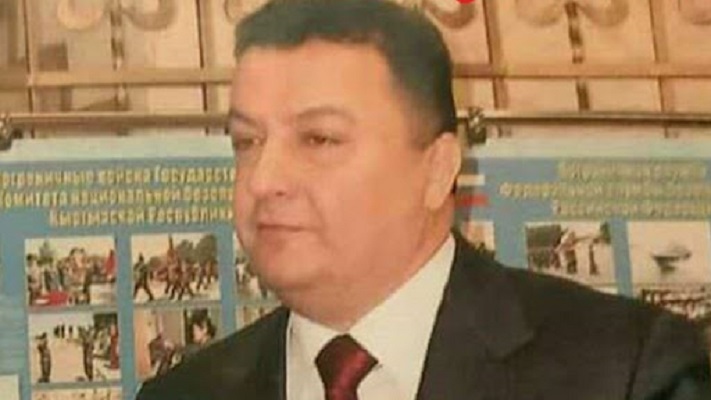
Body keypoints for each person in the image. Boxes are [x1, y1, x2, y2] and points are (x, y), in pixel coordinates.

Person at [135, 0, 711, 399]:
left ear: (437, 170)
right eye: (247, 141)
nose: (263, 180)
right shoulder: (184, 394)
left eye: (319, 139)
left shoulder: (626, 371)